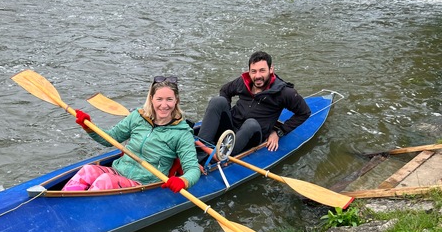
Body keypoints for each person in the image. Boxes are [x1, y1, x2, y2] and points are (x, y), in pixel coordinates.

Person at [62, 76, 201, 193]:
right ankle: (63, 203)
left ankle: (80, 213)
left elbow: (193, 169)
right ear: (151, 99)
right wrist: (89, 127)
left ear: (176, 100)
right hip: (119, 171)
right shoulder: (137, 117)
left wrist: (183, 181)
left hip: (144, 182)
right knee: (87, 170)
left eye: (169, 99)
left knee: (105, 180)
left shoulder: (182, 133)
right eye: (159, 99)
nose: (164, 105)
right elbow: (110, 139)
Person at [196, 51, 311, 162]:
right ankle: (201, 152)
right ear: (249, 71)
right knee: (218, 101)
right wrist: (223, 114)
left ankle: (222, 157)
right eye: (253, 71)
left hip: (252, 134)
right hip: (231, 128)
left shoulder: (285, 93)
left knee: (250, 123)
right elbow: (225, 90)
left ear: (271, 70)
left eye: (262, 71)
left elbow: (304, 112)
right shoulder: (243, 82)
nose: (257, 76)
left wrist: (279, 132)